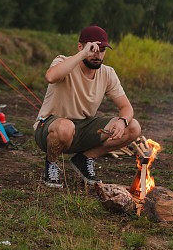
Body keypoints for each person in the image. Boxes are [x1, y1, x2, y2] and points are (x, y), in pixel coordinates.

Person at [33, 25, 141, 187]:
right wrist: (83, 54)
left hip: (83, 129)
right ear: (80, 47)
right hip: (50, 127)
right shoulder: (63, 61)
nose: (97, 54)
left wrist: (122, 121)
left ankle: (83, 159)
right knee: (65, 127)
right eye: (93, 49)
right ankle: (51, 164)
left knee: (133, 126)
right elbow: (50, 77)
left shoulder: (107, 73)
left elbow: (126, 108)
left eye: (102, 50)